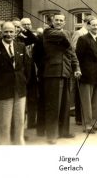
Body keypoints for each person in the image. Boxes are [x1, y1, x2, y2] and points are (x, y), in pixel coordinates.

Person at [34, 14, 80, 144]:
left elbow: (72, 52)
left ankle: (64, 131)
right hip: (52, 73)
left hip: (65, 72)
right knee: (53, 105)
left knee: (65, 104)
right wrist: (69, 35)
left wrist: (77, 68)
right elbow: (65, 40)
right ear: (52, 21)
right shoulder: (49, 32)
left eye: (61, 20)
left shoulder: (65, 33)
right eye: (56, 20)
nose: (59, 22)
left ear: (65, 22)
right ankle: (51, 134)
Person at [0, 22, 30, 145]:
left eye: (11, 31)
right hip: (3, 91)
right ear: (1, 31)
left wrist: (23, 81)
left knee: (20, 121)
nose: (8, 34)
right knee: (4, 124)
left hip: (19, 90)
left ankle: (19, 144)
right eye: (6, 31)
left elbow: (27, 68)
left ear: (15, 32)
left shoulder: (21, 46)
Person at [76, 17, 97, 133]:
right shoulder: (83, 39)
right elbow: (78, 57)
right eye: (93, 25)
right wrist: (79, 70)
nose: (96, 27)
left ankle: (96, 123)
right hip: (87, 74)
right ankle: (88, 125)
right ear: (88, 26)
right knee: (87, 101)